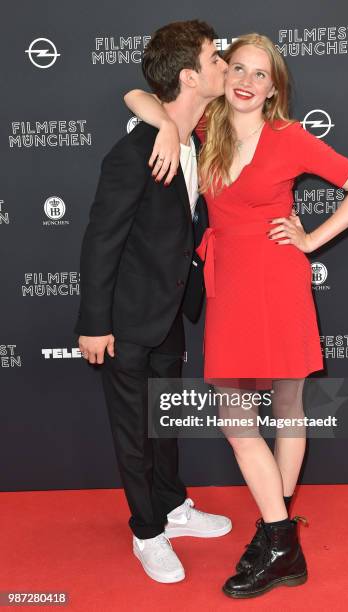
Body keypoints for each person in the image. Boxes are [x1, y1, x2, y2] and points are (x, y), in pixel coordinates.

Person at [124, 33, 348, 598]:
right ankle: (280, 535)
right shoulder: (206, 126)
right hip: (228, 285)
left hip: (278, 280)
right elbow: (135, 97)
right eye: (236, 67)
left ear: (273, 88)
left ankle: (275, 532)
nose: (244, 80)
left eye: (259, 74)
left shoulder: (289, 137)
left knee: (288, 406)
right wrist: (167, 126)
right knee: (238, 419)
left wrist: (311, 239)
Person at [74, 20, 232, 586]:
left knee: (163, 422)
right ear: (190, 75)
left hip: (169, 314)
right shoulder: (135, 151)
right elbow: (101, 239)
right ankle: (147, 531)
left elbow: (143, 94)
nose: (223, 65)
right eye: (215, 58)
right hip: (123, 319)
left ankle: (170, 506)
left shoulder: (191, 137)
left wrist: (167, 119)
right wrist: (94, 323)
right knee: (133, 428)